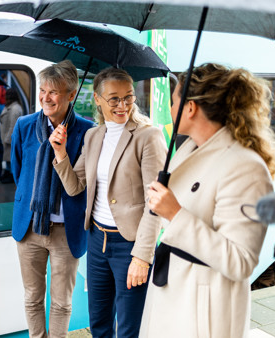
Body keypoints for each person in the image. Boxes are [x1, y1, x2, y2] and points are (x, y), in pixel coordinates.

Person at [140, 63, 275, 337]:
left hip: (203, 308)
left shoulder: (244, 166)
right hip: (173, 290)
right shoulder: (189, 147)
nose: (171, 106)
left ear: (190, 108)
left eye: (175, 100)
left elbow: (241, 260)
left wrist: (175, 214)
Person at [50, 67, 167, 338]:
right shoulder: (93, 136)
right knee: (99, 324)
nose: (122, 105)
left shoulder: (148, 136)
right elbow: (74, 185)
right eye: (113, 98)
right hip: (97, 240)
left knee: (128, 329)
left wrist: (142, 255)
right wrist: (60, 152)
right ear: (98, 99)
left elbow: (155, 202)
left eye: (128, 97)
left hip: (129, 245)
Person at [11, 60, 94, 338]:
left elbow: (82, 186)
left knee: (60, 302)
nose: (46, 98)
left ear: (71, 95)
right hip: (30, 226)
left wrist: (61, 151)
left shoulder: (86, 131)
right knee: (32, 297)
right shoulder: (24, 125)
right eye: (43, 90)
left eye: (54, 92)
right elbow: (18, 169)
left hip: (65, 231)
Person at [0, 87, 23, 182]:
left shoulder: (15, 109)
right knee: (8, 158)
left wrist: (7, 140)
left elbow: (13, 126)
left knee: (11, 158)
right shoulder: (10, 107)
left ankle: (11, 176)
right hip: (6, 136)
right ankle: (7, 173)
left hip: (9, 139)